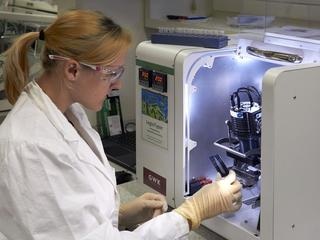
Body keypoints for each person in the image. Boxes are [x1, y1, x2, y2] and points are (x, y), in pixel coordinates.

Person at [0, 9, 242, 240]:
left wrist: (118, 215)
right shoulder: (33, 148)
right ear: (72, 69)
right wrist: (191, 214)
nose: (118, 85)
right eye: (111, 73)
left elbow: (64, 217)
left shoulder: (65, 112)